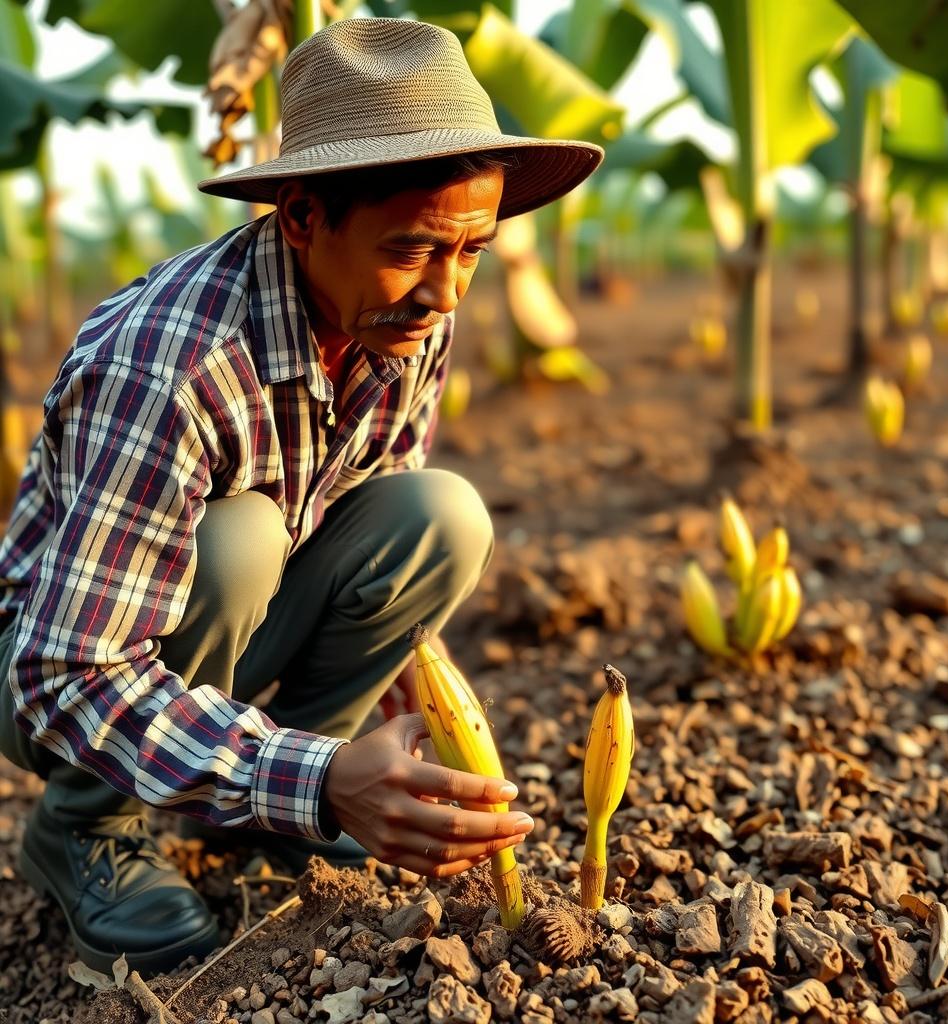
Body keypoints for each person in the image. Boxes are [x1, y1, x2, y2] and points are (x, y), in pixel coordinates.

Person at [0, 17, 602, 976]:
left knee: (435, 518)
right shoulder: (175, 367)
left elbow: (380, 504)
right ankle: (86, 827)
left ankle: (276, 807)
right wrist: (325, 782)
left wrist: (406, 725)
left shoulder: (400, 313)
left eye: (473, 251)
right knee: (239, 538)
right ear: (300, 216)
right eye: (413, 249)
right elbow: (63, 675)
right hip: (55, 667)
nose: (448, 293)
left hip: (215, 640)